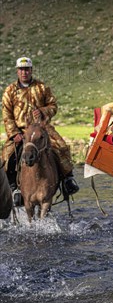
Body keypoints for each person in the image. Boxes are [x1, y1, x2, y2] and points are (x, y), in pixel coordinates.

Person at [2, 57, 79, 205]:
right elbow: (7, 114)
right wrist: (14, 133)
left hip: (42, 129)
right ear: (17, 71)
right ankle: (14, 188)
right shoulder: (10, 91)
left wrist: (43, 111)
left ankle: (67, 180)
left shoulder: (42, 87)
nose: (24, 72)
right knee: (9, 155)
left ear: (31, 70)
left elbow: (53, 106)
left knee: (61, 146)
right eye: (21, 69)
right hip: (21, 130)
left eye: (27, 69)